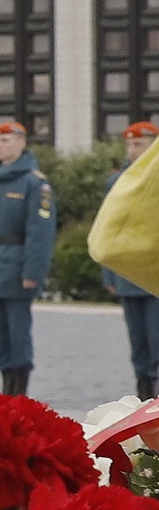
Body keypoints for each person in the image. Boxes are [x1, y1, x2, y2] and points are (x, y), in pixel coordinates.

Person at [0, 120, 55, 395]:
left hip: (17, 268)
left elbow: (40, 234)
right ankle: (6, 385)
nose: (0, 146)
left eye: (6, 140)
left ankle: (19, 390)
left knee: (18, 333)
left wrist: (32, 273)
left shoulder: (34, 183)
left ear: (22, 143)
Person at [103, 123, 159, 399]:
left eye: (139, 145)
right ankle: (143, 397)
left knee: (156, 341)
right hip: (127, 276)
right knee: (138, 345)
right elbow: (107, 230)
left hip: (153, 274)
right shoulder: (118, 182)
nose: (133, 151)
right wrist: (109, 273)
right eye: (129, 145)